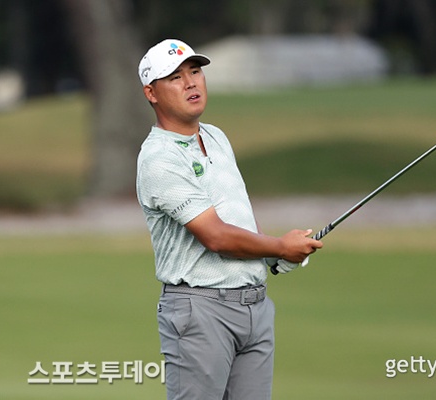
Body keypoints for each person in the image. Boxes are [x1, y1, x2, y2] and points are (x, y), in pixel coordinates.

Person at [136, 39, 323, 400]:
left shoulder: (216, 136)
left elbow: (238, 218)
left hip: (255, 307)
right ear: (151, 93)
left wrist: (273, 255)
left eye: (195, 71)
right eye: (175, 77)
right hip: (199, 311)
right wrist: (280, 247)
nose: (191, 83)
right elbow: (217, 237)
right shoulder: (158, 158)